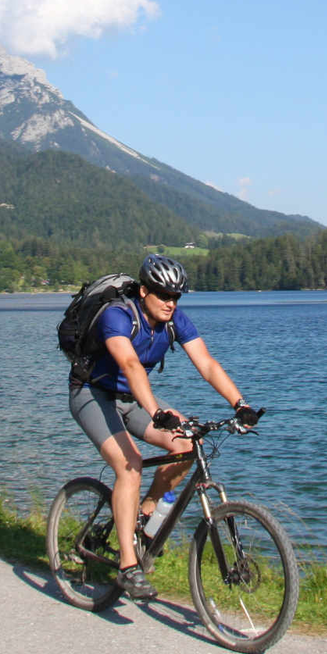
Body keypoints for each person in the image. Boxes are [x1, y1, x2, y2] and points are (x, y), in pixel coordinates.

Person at [68, 254, 258, 601]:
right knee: (131, 466)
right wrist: (156, 411)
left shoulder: (174, 321)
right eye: (163, 295)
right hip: (92, 394)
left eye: (177, 297)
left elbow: (207, 364)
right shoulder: (118, 315)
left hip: (131, 399)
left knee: (187, 445)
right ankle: (128, 567)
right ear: (144, 291)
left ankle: (145, 513)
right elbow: (128, 363)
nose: (171, 303)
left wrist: (240, 404)